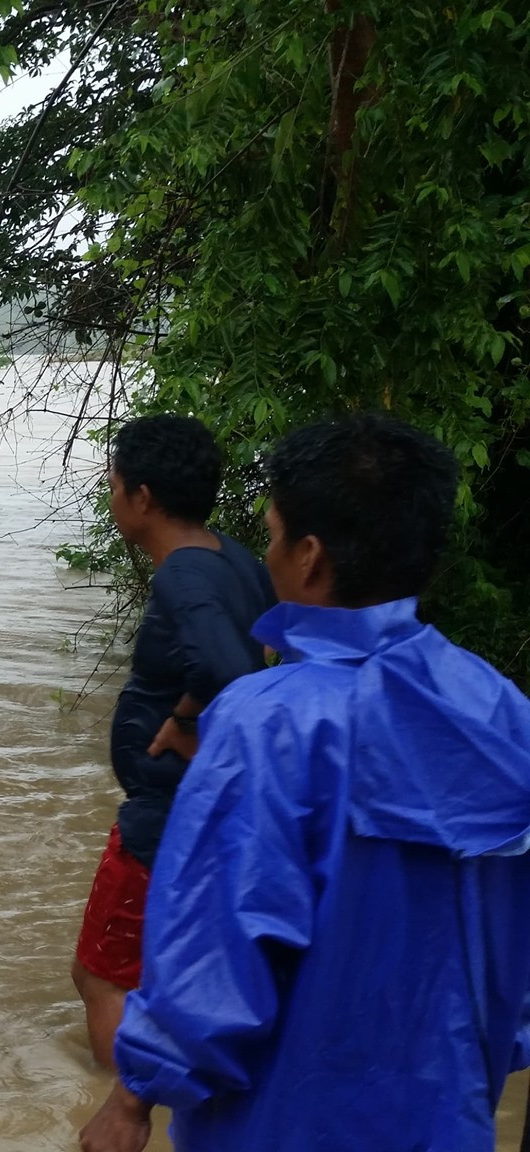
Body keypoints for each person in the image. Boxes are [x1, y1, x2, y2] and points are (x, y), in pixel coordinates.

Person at [81, 413, 530, 1152]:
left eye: (273, 531)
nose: (268, 550)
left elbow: (219, 950)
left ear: (310, 556)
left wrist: (133, 1099)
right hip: (446, 1115)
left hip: (287, 1120)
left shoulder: (269, 725)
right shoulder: (496, 707)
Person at [69, 414, 275, 1071]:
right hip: (213, 808)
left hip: (166, 815)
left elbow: (228, 670)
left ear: (144, 497)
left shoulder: (182, 575)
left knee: (103, 976)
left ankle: (124, 1114)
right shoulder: (234, 557)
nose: (111, 498)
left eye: (114, 485)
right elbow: (269, 644)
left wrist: (186, 721)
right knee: (169, 971)